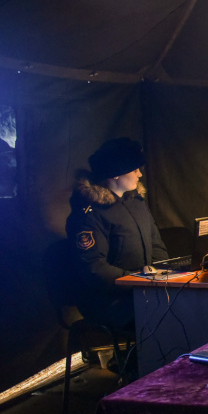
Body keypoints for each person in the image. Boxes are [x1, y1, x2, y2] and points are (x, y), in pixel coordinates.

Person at [66, 137, 169, 328]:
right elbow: (94, 268)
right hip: (109, 302)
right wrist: (137, 281)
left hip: (142, 291)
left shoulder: (136, 203)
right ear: (115, 174)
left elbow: (156, 245)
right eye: (134, 170)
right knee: (167, 317)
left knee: (184, 307)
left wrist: (161, 274)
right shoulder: (89, 215)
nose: (140, 174)